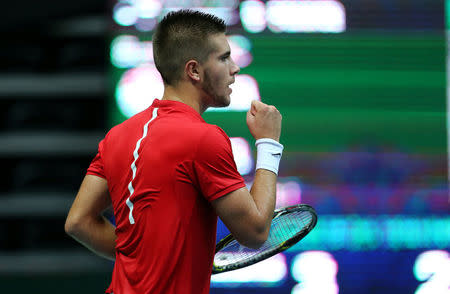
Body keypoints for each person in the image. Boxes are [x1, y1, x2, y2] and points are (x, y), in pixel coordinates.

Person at [65, 9, 283, 294]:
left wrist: (145, 261)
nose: (235, 68)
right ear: (193, 70)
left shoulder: (116, 137)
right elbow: (255, 233)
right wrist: (269, 143)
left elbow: (78, 222)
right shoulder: (204, 138)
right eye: (223, 58)